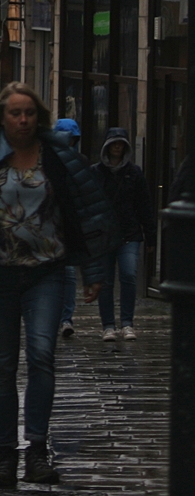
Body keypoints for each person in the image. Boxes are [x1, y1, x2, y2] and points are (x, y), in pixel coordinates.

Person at [0, 83, 117, 488]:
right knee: (3, 365)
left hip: (47, 272)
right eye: (15, 113)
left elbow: (87, 212)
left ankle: (37, 450)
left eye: (29, 113)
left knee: (41, 356)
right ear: (1, 117)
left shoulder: (58, 155)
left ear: (39, 117)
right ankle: (5, 455)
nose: (23, 120)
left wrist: (93, 271)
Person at [94, 126, 155, 341]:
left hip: (129, 233)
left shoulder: (134, 173)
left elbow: (144, 205)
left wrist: (150, 236)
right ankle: (108, 325)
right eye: (114, 143)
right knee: (106, 281)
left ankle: (127, 323)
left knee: (129, 275)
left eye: (121, 143)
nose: (117, 147)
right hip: (104, 235)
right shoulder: (96, 173)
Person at [52, 118, 83, 337]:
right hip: (49, 227)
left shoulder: (79, 162)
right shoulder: (46, 160)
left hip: (68, 226)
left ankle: (65, 318)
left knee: (69, 273)